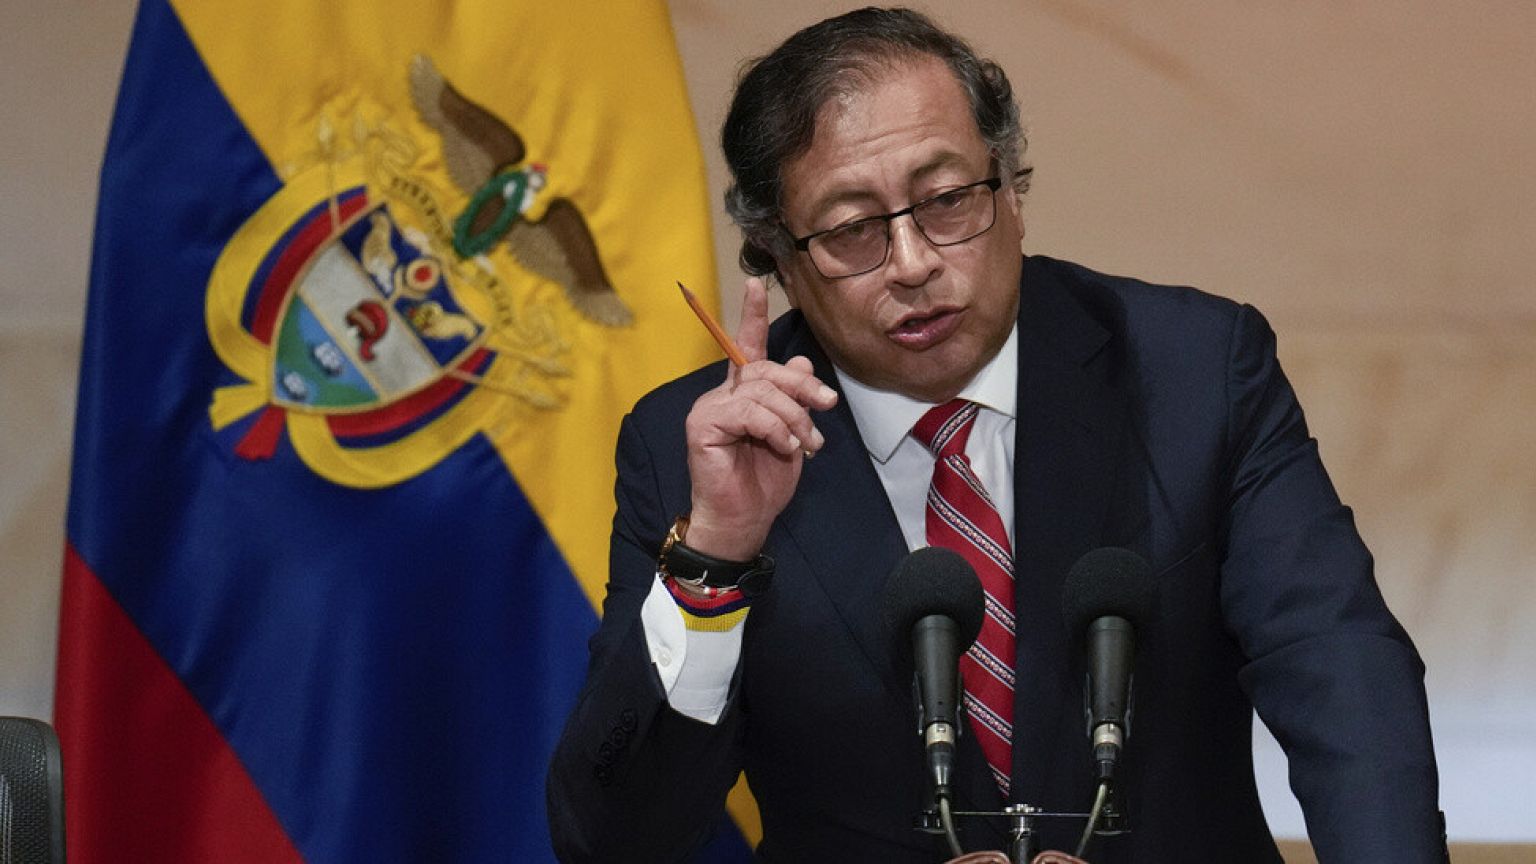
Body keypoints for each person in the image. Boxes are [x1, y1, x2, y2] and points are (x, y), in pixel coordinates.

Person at [547, 7, 1443, 862]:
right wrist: (718, 558)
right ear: (778, 256)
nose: (913, 263)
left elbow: (1340, 674)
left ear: (1011, 187)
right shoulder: (692, 447)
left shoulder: (1195, 371)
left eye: (945, 199)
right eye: (853, 229)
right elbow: (615, 838)